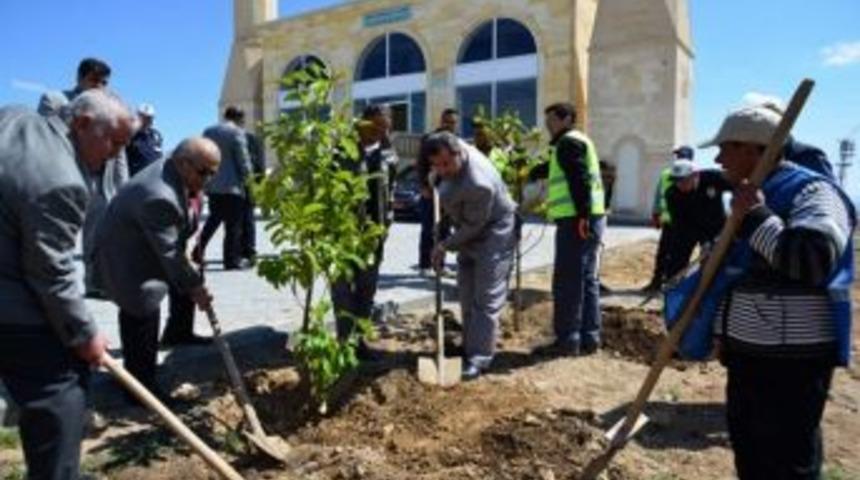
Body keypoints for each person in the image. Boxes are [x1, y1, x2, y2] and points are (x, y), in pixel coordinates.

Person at [701, 105, 855, 479]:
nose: (718, 159)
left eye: (726, 148)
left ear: (754, 149)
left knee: (787, 465)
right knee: (751, 458)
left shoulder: (814, 191)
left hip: (792, 364)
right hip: (749, 357)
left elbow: (811, 260)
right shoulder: (750, 194)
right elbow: (745, 269)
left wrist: (755, 217)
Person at [0, 89, 133, 479]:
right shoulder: (62, 180)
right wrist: (85, 334)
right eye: (114, 142)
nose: (115, 154)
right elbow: (51, 273)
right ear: (81, 123)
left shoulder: (15, 119)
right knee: (60, 390)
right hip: (9, 303)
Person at [95, 138, 219, 401]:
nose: (207, 179)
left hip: (142, 240)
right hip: (126, 255)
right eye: (203, 172)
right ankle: (140, 386)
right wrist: (196, 286)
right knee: (142, 305)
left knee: (171, 285)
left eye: (213, 173)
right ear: (183, 163)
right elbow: (170, 255)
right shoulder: (159, 195)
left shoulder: (176, 173)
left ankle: (173, 337)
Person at [425, 131, 516, 380]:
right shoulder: (451, 148)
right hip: (468, 225)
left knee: (485, 297)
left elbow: (474, 227)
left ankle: (479, 358)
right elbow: (440, 179)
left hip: (494, 231)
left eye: (446, 164)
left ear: (459, 154)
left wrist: (443, 246)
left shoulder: (479, 183)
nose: (442, 169)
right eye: (436, 165)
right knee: (466, 289)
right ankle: (468, 347)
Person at [39, 58, 130, 298]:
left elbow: (119, 153)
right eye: (95, 80)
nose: (99, 86)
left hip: (101, 184)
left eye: (104, 82)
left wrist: (124, 188)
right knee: (58, 238)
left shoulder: (112, 105)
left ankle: (95, 284)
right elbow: (48, 138)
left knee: (97, 237)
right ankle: (52, 289)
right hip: (64, 181)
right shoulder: (55, 100)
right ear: (80, 77)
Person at [534, 102, 606, 357]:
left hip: (576, 220)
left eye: (551, 120)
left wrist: (582, 216)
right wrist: (533, 171)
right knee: (586, 279)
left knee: (568, 281)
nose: (547, 126)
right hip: (588, 218)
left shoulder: (568, 143)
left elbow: (579, 179)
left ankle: (568, 340)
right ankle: (589, 338)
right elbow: (564, 171)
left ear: (566, 119)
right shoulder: (574, 142)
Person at [330, 119, 394, 357]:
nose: (381, 132)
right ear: (360, 125)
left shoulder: (386, 156)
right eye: (376, 126)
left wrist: (386, 226)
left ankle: (360, 343)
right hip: (342, 237)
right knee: (343, 292)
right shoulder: (340, 153)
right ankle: (345, 345)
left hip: (372, 238)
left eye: (385, 128)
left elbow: (389, 193)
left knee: (366, 291)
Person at [197, 106, 254, 270]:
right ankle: (231, 260)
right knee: (233, 225)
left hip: (213, 185)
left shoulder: (208, 132)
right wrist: (250, 182)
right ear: (239, 118)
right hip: (233, 187)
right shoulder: (237, 133)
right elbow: (243, 161)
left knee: (212, 221)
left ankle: (197, 251)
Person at [662, 160, 732, 280]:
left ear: (695, 175)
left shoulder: (713, 178)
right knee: (676, 260)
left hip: (715, 227)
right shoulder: (672, 194)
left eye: (683, 180)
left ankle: (707, 288)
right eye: (676, 180)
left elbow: (739, 186)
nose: (680, 184)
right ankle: (673, 289)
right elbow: (680, 224)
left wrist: (718, 237)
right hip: (688, 228)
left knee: (713, 262)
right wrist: (702, 241)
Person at [643, 145, 694, 292]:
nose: (679, 159)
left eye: (682, 156)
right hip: (669, 222)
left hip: (685, 224)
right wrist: (656, 213)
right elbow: (658, 195)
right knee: (663, 254)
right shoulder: (666, 174)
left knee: (679, 256)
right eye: (678, 156)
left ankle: (675, 285)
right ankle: (656, 282)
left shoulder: (696, 174)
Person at [416, 108, 457, 276]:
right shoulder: (429, 139)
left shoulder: (455, 141)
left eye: (453, 122)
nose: (450, 125)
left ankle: (440, 265)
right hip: (430, 192)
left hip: (448, 193)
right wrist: (424, 186)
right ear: (441, 121)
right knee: (429, 229)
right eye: (447, 121)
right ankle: (425, 265)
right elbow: (419, 164)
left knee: (445, 230)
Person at [240, 126, 266, 263]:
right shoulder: (253, 139)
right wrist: (260, 182)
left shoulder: (231, 139)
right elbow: (260, 163)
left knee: (238, 219)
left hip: (238, 184)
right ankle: (249, 250)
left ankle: (242, 250)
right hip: (249, 183)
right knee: (248, 218)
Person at [126, 103, 164, 177]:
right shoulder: (129, 136)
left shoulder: (156, 136)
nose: (147, 121)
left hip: (154, 178)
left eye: (149, 118)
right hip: (136, 179)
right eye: (144, 118)